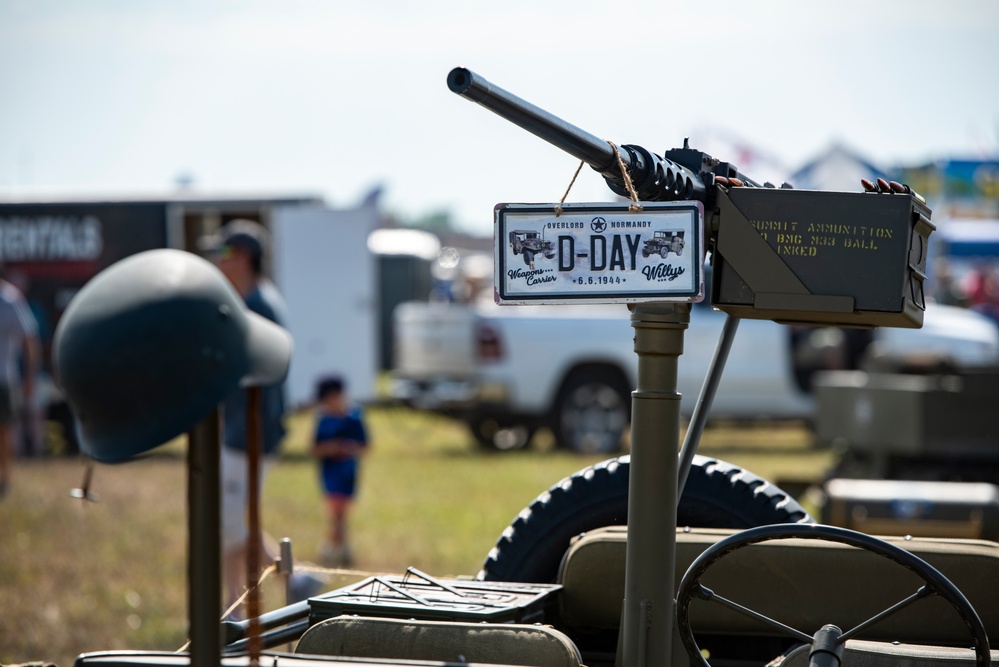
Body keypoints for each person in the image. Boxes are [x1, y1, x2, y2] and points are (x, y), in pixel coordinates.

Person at [205, 219, 291, 615]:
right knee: (236, 521)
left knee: (231, 524)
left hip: (249, 435)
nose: (217, 262)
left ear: (242, 258)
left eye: (223, 253)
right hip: (245, 432)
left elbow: (259, 382)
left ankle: (290, 578)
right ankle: (234, 602)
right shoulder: (257, 299)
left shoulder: (257, 307)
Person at [312, 375, 368, 567]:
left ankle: (333, 549)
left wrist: (348, 448)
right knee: (336, 513)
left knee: (341, 513)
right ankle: (338, 550)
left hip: (348, 472)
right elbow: (314, 448)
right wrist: (333, 447)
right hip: (330, 472)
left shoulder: (354, 417)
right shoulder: (324, 419)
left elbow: (365, 446)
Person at [0, 267, 39, 498]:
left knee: (3, 431)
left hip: (3, 379)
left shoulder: (9, 299)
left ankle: (4, 479)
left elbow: (29, 340)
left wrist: (29, 377)